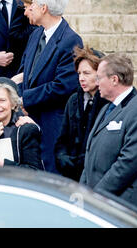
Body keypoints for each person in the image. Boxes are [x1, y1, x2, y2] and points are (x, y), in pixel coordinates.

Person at [14, 0, 83, 173]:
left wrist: (24, 99)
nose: (28, 9)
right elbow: (26, 72)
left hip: (52, 123)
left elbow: (63, 86)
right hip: (28, 120)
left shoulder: (71, 40)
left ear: (44, 8)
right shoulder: (35, 35)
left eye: (33, 5)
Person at [81, 54, 137, 212]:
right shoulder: (106, 109)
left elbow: (129, 163)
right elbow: (90, 154)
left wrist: (97, 195)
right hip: (100, 204)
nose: (96, 83)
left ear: (114, 79)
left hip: (124, 207)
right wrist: (84, 192)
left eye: (99, 78)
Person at [54, 47, 107, 181]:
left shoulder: (108, 103)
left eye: (87, 73)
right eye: (79, 73)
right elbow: (62, 138)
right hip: (72, 176)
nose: (81, 78)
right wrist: (62, 158)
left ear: (100, 73)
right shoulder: (73, 101)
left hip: (96, 176)